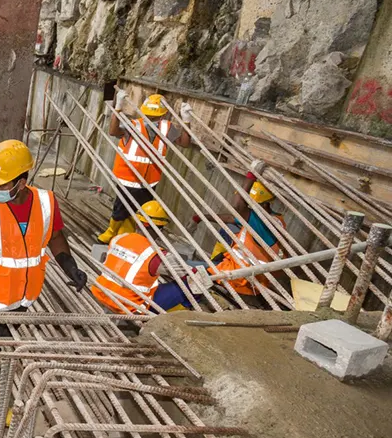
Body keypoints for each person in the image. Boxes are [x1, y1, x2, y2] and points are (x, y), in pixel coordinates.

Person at [0, 140, 87, 422]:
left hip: (24, 296)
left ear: (22, 182)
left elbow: (56, 237)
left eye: (2, 185)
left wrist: (69, 265)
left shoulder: (47, 203)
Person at [98, 91, 192, 243]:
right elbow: (113, 131)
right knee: (121, 209)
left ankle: (127, 232)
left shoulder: (167, 128)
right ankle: (111, 231)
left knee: (140, 212)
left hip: (149, 181)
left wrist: (186, 121)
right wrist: (118, 108)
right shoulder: (133, 125)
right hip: (128, 179)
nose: (151, 120)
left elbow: (185, 143)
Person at [91, 201, 202, 314]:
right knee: (193, 283)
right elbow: (192, 274)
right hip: (129, 307)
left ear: (137, 222)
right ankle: (178, 315)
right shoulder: (156, 255)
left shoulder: (118, 238)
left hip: (102, 293)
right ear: (160, 229)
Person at [204, 161, 286, 306]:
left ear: (262, 204)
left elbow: (237, 207)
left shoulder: (264, 224)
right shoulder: (271, 219)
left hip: (239, 278)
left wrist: (251, 176)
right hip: (247, 273)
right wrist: (202, 217)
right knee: (227, 234)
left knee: (190, 271)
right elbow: (231, 218)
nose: (246, 207)